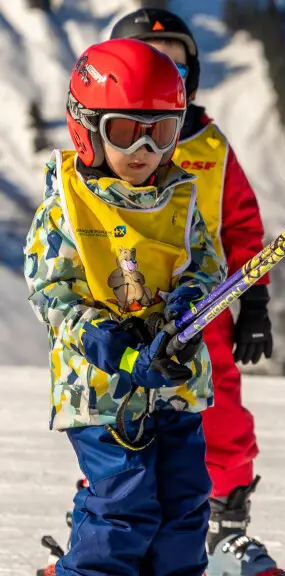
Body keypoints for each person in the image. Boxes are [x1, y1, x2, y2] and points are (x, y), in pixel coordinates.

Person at [24, 38, 222, 575]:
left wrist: (188, 306)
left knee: (184, 510)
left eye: (159, 132)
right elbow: (51, 288)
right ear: (86, 129)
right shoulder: (67, 203)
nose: (144, 150)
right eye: (124, 131)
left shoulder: (182, 200)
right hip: (103, 391)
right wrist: (106, 339)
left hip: (175, 384)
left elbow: (207, 268)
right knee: (123, 511)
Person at [106, 11, 281, 569]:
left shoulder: (209, 146)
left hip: (205, 313)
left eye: (175, 62)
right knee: (116, 415)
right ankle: (108, 525)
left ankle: (224, 525)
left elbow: (243, 228)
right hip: (126, 309)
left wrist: (254, 300)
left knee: (219, 413)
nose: (165, 75)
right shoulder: (107, 147)